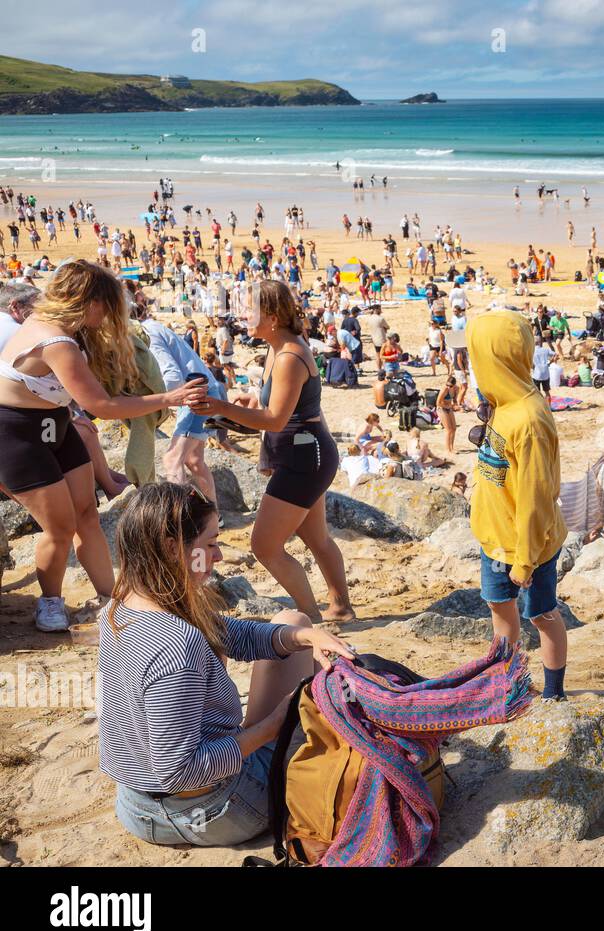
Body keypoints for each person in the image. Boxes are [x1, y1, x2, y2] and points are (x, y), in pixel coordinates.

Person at [97, 482, 354, 847]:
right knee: (306, 723)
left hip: (136, 806)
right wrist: (274, 725)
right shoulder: (176, 645)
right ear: (173, 549)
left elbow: (234, 635)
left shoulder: (118, 610)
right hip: (212, 812)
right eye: (211, 543)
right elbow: (181, 773)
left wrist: (307, 638)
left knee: (293, 623)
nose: (217, 557)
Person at [0, 260, 205, 632]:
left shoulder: (65, 330)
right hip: (14, 433)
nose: (110, 314)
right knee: (59, 527)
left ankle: (108, 596)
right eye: (107, 305)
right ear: (87, 302)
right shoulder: (56, 341)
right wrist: (168, 398)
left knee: (87, 515)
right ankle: (50, 602)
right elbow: (102, 407)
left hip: (56, 424)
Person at [189, 280, 353, 623]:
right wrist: (244, 403)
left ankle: (310, 616)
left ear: (273, 317)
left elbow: (275, 419)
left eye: (251, 310)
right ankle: (341, 607)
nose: (244, 316)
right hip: (307, 455)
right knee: (316, 537)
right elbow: (276, 405)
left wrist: (222, 406)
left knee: (264, 546)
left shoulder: (290, 355)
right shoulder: (277, 349)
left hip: (305, 458)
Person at [467, 309, 569, 700]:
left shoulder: (528, 420)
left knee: (542, 615)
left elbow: (536, 498)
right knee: (500, 609)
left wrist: (525, 559)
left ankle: (553, 692)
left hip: (530, 544)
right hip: (494, 537)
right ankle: (506, 684)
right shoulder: (502, 402)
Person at [141, 314, 221, 504]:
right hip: (204, 389)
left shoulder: (146, 333)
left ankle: (180, 519)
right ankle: (214, 516)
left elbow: (172, 378)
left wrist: (150, 401)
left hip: (197, 394)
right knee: (194, 461)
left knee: (172, 459)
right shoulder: (153, 326)